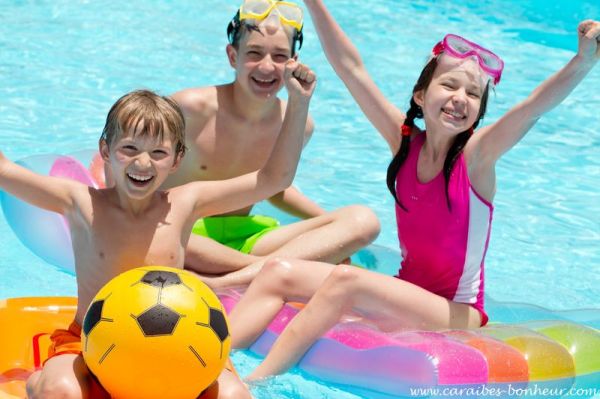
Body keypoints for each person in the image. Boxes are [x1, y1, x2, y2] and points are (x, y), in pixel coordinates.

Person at [226, 0, 600, 381]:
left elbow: (533, 108)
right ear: (421, 96)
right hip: (407, 293)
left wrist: (583, 61)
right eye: (449, 85)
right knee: (277, 272)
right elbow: (351, 69)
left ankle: (257, 383)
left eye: (473, 95)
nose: (460, 98)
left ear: (478, 113)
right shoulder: (405, 144)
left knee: (345, 279)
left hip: (458, 311)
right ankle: (219, 364)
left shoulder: (476, 158)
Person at [0, 57, 315, 398]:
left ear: (178, 159)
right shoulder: (82, 203)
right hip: (90, 339)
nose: (143, 163)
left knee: (235, 396)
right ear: (106, 149)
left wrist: (298, 103)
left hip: (177, 345)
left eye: (159, 153)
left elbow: (273, 179)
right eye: (129, 149)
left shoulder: (184, 204)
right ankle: (38, 380)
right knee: (59, 391)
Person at [163, 0, 380, 288]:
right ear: (232, 56)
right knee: (160, 229)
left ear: (294, 61)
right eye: (254, 53)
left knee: (363, 220)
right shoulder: (189, 108)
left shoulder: (297, 122)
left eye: (279, 56)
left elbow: (274, 187)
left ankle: (235, 277)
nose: (267, 66)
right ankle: (261, 271)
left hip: (245, 239)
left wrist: (330, 226)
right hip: (186, 234)